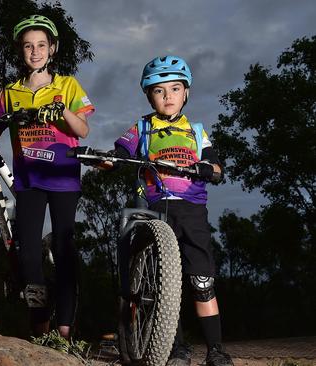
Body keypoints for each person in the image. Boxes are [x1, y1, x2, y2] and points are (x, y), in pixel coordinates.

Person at [105, 56, 233, 366]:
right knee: (163, 284)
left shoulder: (196, 130)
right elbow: (120, 151)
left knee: (202, 282)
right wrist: (109, 159)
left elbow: (217, 167)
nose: (168, 97)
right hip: (155, 209)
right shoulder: (144, 126)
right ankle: (176, 349)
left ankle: (215, 349)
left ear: (186, 92)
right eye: (159, 91)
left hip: (191, 209)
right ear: (149, 95)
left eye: (175, 89)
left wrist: (209, 169)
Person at [0, 14, 95, 339]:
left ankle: (63, 332)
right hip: (29, 179)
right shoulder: (10, 92)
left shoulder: (67, 85)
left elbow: (83, 129)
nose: (35, 52)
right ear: (21, 51)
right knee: (28, 253)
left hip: (63, 177)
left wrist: (60, 109)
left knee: (64, 249)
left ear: (53, 49)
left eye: (41, 45)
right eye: (28, 46)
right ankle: (40, 326)